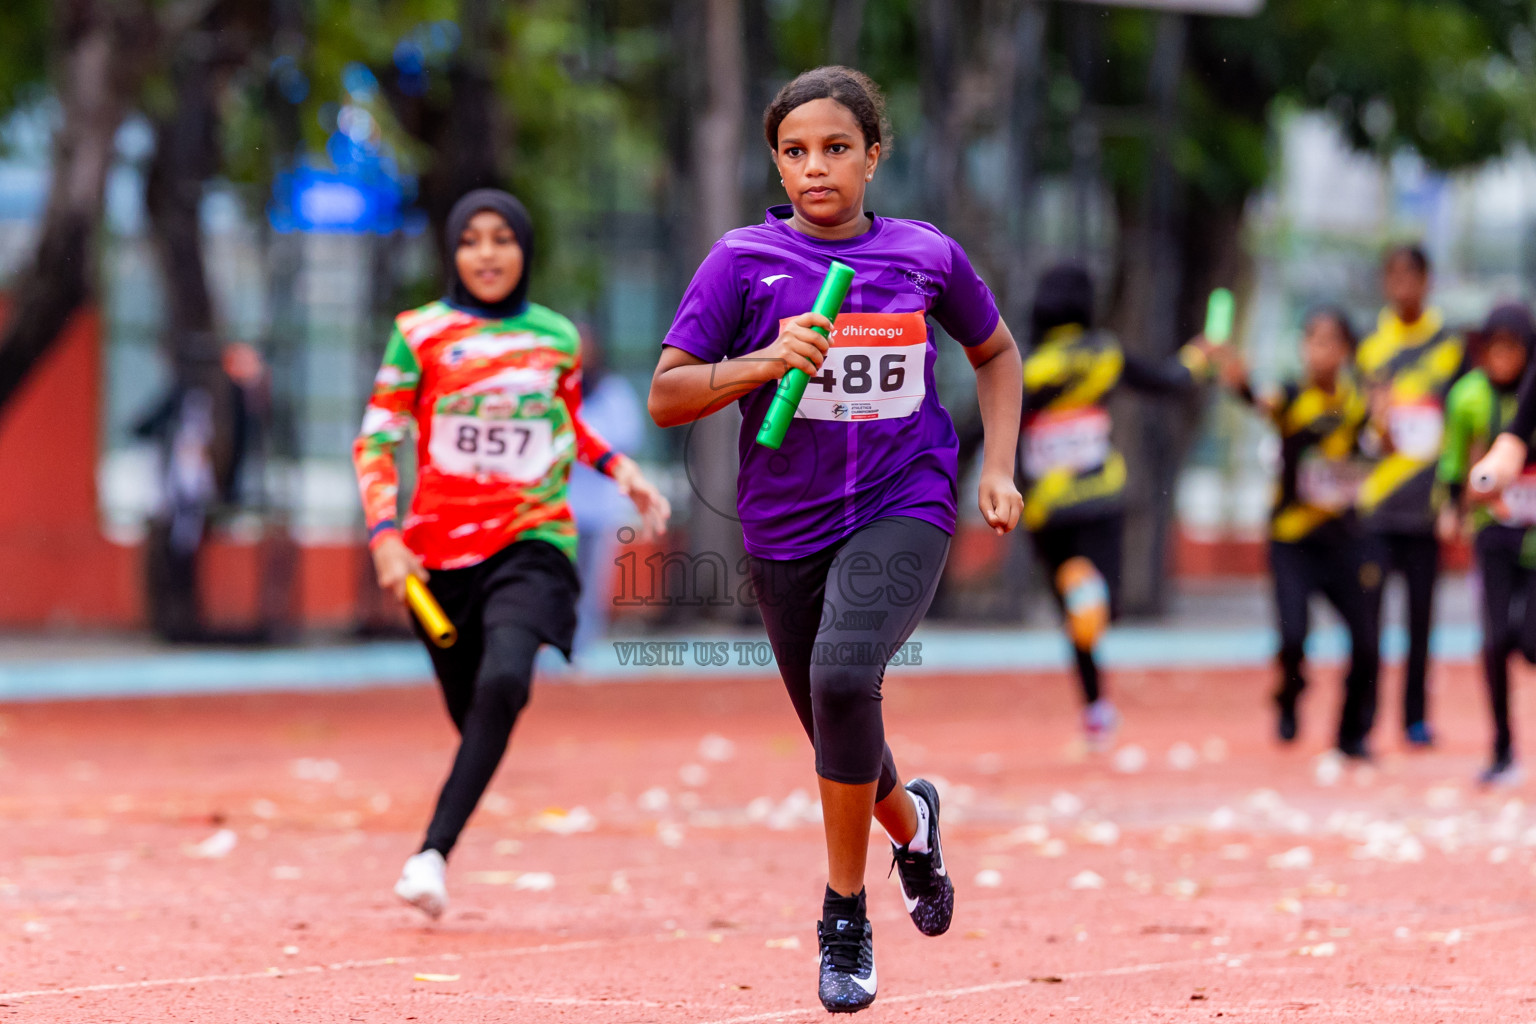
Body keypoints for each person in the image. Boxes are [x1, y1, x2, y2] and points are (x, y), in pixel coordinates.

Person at [647, 66, 1023, 1013]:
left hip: (908, 497)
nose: (816, 167)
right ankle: (915, 826)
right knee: (837, 723)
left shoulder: (923, 254)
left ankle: (843, 915)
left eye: (836, 148)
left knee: (846, 677)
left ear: (873, 156)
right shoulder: (741, 262)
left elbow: (996, 353)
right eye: (795, 151)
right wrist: (763, 362)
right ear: (776, 161)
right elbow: (667, 393)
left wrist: (998, 467)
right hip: (784, 528)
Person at [353, 188, 670, 920]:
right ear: (453, 252)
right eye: (472, 239)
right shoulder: (419, 333)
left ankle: (430, 853)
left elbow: (563, 427)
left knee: (505, 681)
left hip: (534, 539)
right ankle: (461, 794)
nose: (488, 253)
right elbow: (376, 440)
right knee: (477, 705)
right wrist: (385, 537)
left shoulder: (556, 338)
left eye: (503, 238)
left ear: (525, 250)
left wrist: (623, 471)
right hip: (437, 556)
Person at [1019, 263, 1215, 749]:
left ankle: (1095, 709)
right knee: (1103, 607)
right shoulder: (1104, 353)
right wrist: (1201, 355)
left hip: (1046, 509)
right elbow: (1168, 379)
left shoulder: (1028, 366)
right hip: (1098, 496)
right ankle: (1093, 604)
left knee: (1076, 616)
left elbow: (985, 423)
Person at [1214, 309, 1380, 758]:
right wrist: (1239, 381)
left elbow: (1379, 453)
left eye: (1327, 341)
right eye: (1310, 340)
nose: (1316, 350)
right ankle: (1289, 694)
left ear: (1346, 350)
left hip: (1343, 539)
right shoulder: (1289, 396)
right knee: (1293, 638)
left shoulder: (1359, 402)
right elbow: (1260, 399)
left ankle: (1352, 735)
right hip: (1292, 541)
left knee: (1367, 642)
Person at [1355, 244, 1465, 747]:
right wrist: (1373, 425)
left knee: (1421, 621)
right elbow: (1356, 432)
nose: (1401, 286)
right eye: (1392, 276)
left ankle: (1415, 718)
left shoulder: (1450, 346)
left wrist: (1454, 496)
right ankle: (1365, 718)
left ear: (1426, 281)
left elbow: (1461, 427)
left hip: (1425, 509)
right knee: (1369, 621)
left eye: (1410, 276)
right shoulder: (1369, 349)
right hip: (1376, 509)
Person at [1438, 303, 1536, 787]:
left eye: (1512, 349)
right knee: (1495, 640)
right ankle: (1502, 746)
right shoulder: (1468, 398)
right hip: (1494, 531)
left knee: (1531, 642)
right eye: (1494, 349)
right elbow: (1456, 462)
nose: (1503, 359)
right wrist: (1453, 505)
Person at [566, 326, 646, 661]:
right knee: (562, 581)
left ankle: (582, 652)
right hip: (562, 511)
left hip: (601, 509)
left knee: (594, 587)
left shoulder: (614, 392)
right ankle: (558, 645)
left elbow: (627, 440)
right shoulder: (557, 392)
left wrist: (588, 448)